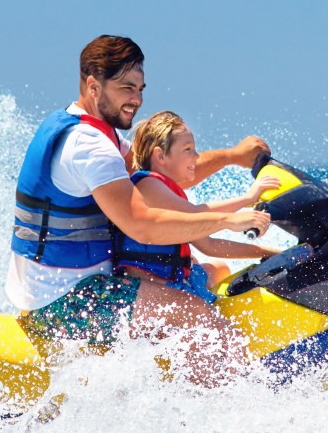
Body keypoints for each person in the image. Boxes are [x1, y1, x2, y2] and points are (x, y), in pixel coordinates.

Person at [7, 35, 270, 385]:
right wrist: (228, 219)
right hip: (63, 302)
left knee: (207, 271)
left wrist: (233, 156)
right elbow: (142, 224)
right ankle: (227, 406)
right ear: (93, 86)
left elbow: (163, 175)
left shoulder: (94, 132)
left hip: (65, 286)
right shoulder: (88, 147)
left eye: (140, 89)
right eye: (127, 88)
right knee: (197, 315)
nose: (137, 100)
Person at [116, 110, 282, 302]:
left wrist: (268, 253)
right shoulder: (148, 185)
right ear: (160, 156)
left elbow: (209, 245)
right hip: (156, 289)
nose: (196, 156)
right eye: (188, 149)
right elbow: (197, 214)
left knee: (220, 268)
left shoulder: (166, 190)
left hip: (176, 277)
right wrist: (245, 201)